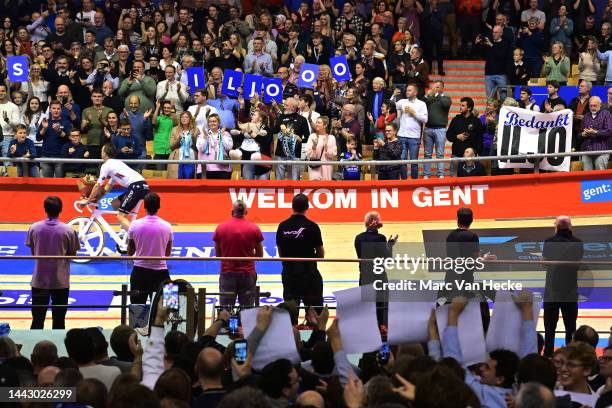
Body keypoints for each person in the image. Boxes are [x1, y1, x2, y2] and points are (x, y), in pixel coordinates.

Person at [26, 196, 80, 329]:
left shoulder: (34, 228)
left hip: (39, 280)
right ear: (60, 210)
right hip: (60, 282)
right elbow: (72, 255)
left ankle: (34, 348)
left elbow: (34, 253)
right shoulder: (69, 230)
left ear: (45, 209)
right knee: (59, 321)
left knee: (37, 320)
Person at [79, 144, 149, 235]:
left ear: (104, 153)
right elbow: (107, 188)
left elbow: (98, 185)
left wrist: (87, 200)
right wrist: (96, 199)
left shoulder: (106, 165)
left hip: (136, 186)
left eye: (101, 151)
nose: (101, 152)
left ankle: (136, 239)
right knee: (115, 204)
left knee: (120, 216)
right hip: (141, 186)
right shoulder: (116, 164)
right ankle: (125, 231)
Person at [542, 215, 584, 357]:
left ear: (556, 226)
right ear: (570, 226)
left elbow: (544, 264)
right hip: (570, 290)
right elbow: (577, 264)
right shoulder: (578, 242)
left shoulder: (549, 241)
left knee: (549, 327)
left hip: (552, 290)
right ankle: (571, 356)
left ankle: (548, 355)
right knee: (570, 327)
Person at [276, 194, 324, 308]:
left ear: (292, 206)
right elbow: (321, 255)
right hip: (309, 274)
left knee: (290, 313)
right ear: (307, 207)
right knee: (314, 313)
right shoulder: (313, 226)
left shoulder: (282, 226)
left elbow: (281, 253)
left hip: (289, 274)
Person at [213, 200, 264, 307]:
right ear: (246, 212)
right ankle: (245, 324)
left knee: (226, 311)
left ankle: (169, 316)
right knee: (247, 311)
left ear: (232, 212)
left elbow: (218, 255)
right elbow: (260, 255)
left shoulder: (220, 228)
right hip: (247, 274)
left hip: (227, 273)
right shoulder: (254, 228)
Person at [127, 192, 173, 305]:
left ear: (144, 206)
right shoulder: (168, 226)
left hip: (139, 273)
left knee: (136, 310)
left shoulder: (134, 225)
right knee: (170, 308)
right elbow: (167, 254)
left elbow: (130, 252)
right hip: (162, 273)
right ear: (159, 206)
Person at [395, 84, 428, 179]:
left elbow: (425, 119)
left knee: (414, 162)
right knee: (402, 161)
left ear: (415, 92)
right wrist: (394, 95)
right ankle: (404, 181)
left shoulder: (421, 104)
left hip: (414, 137)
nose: (407, 92)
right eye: (406, 90)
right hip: (401, 135)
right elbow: (391, 104)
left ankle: (414, 183)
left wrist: (414, 113)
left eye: (409, 90)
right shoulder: (402, 101)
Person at [446, 97, 483, 177]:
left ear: (469, 108)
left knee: (471, 180)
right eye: (460, 105)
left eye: (463, 105)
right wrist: (457, 136)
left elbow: (480, 139)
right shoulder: (455, 120)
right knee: (453, 180)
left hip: (470, 157)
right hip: (456, 155)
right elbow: (449, 136)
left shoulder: (476, 121)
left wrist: (477, 153)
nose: (460, 107)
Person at [423, 80, 452, 179]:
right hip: (428, 129)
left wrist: (437, 94)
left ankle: (440, 174)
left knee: (440, 153)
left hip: (440, 129)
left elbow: (445, 104)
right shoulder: (429, 99)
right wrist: (427, 96)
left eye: (438, 87)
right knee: (427, 154)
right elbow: (421, 104)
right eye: (434, 87)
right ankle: (426, 174)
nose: (435, 88)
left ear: (442, 88)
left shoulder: (446, 98)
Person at [579, 96, 612, 171]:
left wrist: (595, 132)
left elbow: (609, 131)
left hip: (602, 150)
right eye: (591, 105)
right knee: (586, 176)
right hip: (586, 150)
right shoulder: (586, 116)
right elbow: (579, 134)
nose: (592, 107)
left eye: (595, 105)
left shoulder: (606, 114)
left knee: (600, 176)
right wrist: (583, 134)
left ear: (600, 105)